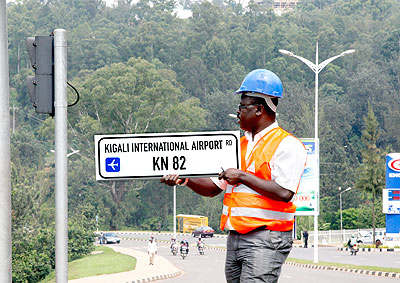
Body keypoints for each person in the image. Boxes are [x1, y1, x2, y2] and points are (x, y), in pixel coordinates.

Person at [161, 69, 307, 282]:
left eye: (242, 107)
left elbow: (285, 193)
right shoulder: (238, 145)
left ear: (259, 109)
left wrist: (243, 177)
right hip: (236, 237)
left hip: (267, 237)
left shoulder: (287, 145)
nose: (238, 112)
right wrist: (185, 179)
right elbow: (213, 188)